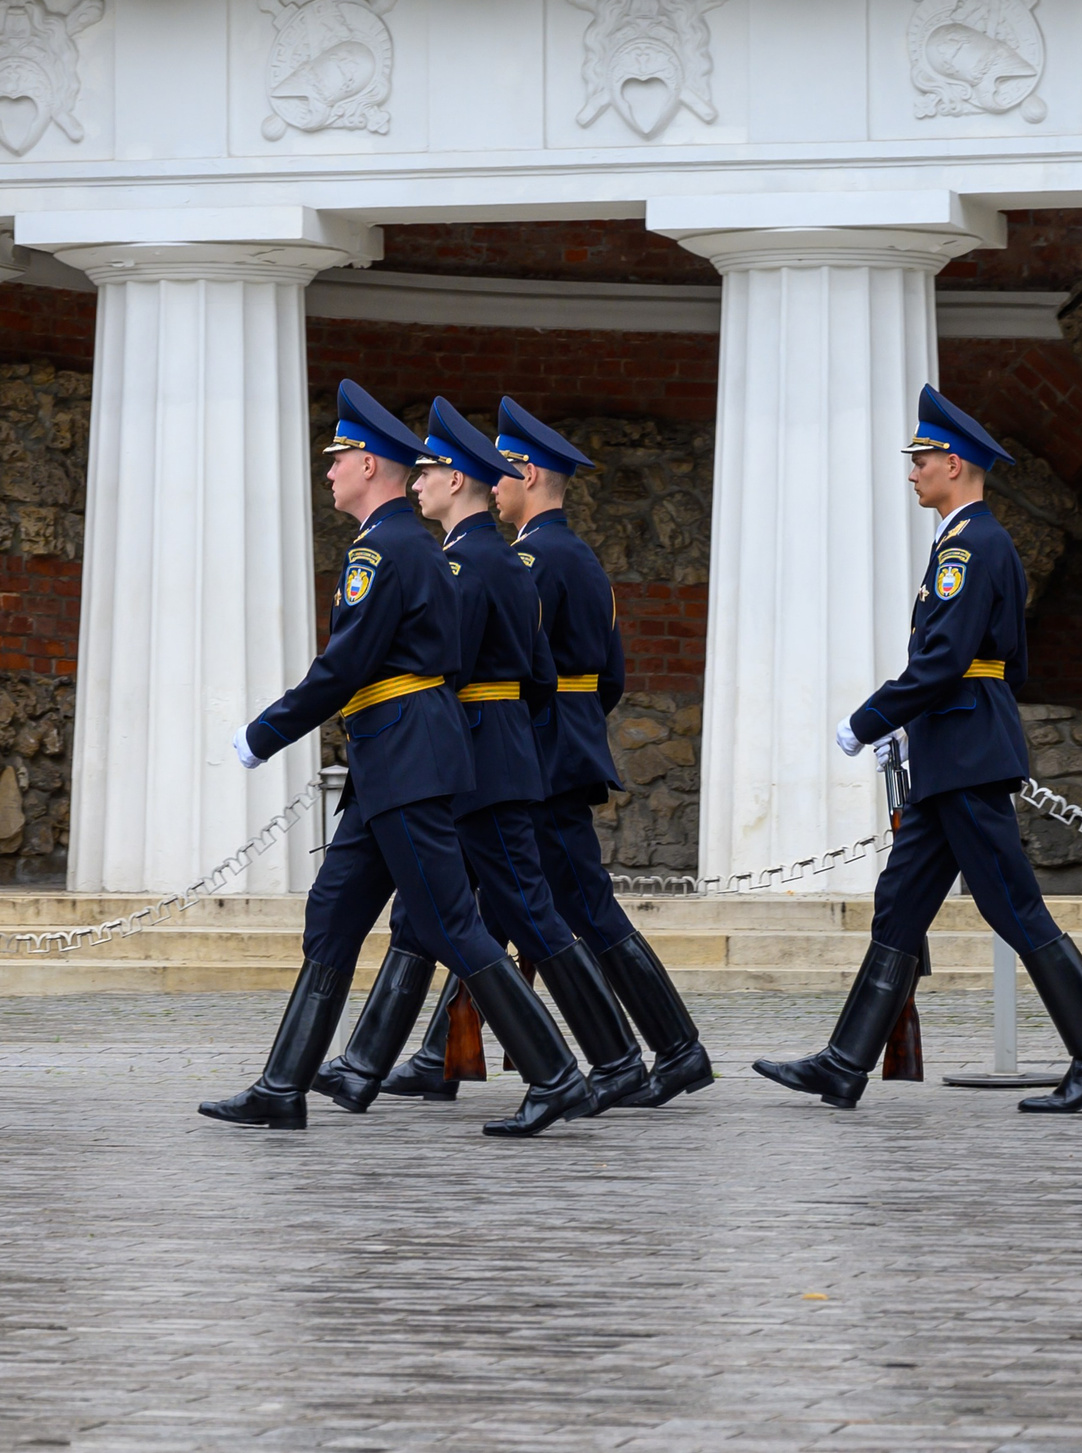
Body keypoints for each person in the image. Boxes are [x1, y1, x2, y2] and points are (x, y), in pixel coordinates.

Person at [201, 380, 595, 1137]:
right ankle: (283, 1084)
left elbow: (346, 665)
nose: (331, 471)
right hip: (391, 759)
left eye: (340, 457)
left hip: (407, 757)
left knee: (452, 922)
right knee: (335, 911)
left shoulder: (386, 550)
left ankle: (556, 1073)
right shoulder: (410, 547)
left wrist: (264, 733)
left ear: (371, 467)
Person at [753, 385, 1082, 1116]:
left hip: (964, 751)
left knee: (1012, 906)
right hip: (954, 743)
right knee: (900, 902)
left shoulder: (970, 544)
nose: (912, 471)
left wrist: (872, 717)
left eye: (921, 458)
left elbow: (946, 655)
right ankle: (845, 1061)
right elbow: (1004, 659)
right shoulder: (975, 542)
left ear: (953, 463)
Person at [314, 396, 650, 1115]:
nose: (420, 481)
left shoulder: (480, 563)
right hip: (481, 753)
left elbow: (450, 669)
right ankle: (375, 1063)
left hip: (470, 756)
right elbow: (563, 678)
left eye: (432, 469)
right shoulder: (518, 557)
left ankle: (604, 1060)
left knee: (525, 914)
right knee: (433, 915)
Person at [456, 395, 713, 1108]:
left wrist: (544, 733)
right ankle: (447, 1053)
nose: (494, 485)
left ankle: (670, 1049)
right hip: (563, 744)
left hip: (544, 753)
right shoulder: (577, 554)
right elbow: (613, 676)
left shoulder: (534, 559)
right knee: (539, 904)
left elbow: (523, 665)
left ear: (529, 473)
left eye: (503, 472)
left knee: (585, 907)